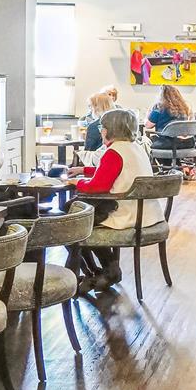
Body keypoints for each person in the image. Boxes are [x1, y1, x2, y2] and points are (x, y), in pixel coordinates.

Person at [72, 107, 154, 288]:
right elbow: (116, 172)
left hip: (125, 214)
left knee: (72, 223)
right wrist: (84, 171)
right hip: (145, 212)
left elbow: (98, 186)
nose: (101, 131)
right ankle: (103, 270)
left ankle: (97, 271)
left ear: (107, 130)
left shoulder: (114, 151)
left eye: (102, 127)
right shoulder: (135, 148)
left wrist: (76, 183)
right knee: (81, 221)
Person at [81, 87, 118, 154]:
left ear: (96, 107)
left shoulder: (94, 126)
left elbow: (88, 151)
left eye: (90, 106)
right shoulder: (120, 123)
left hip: (100, 159)